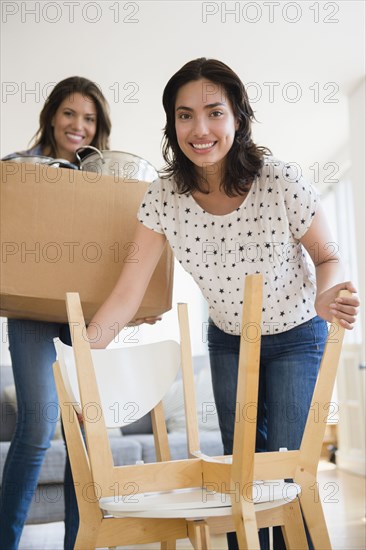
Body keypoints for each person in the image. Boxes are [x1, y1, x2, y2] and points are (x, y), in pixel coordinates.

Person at [85, 58, 359, 549]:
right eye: (185, 114)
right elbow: (127, 292)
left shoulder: (280, 179)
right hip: (229, 337)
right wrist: (84, 357)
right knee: (242, 472)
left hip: (299, 332)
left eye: (215, 112)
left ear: (238, 117)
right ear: (172, 124)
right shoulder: (163, 196)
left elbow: (328, 257)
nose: (201, 128)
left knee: (290, 470)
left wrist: (326, 293)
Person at [0, 76, 112, 550]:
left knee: (85, 434)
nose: (78, 126)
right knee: (40, 425)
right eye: (70, 114)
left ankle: (77, 543)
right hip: (30, 310)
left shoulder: (104, 180)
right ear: (51, 115)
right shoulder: (16, 169)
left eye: (89, 119)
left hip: (83, 316)